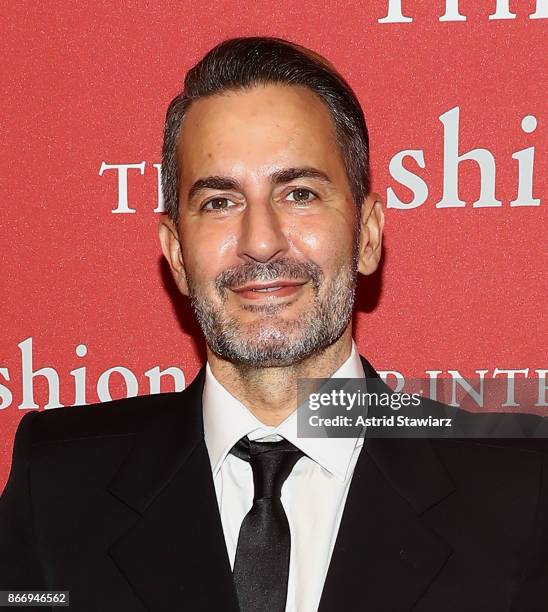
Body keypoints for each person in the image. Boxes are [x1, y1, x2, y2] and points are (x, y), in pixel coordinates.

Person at [0, 36, 547, 612]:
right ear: (177, 253)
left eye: (299, 193)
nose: (260, 241)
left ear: (367, 234)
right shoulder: (59, 483)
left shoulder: (518, 494)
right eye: (219, 202)